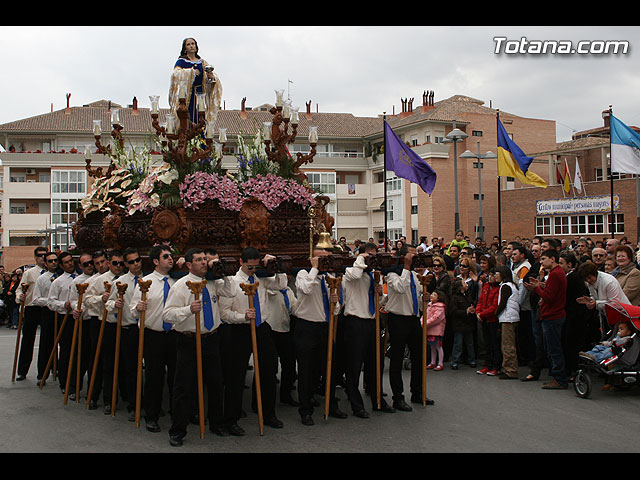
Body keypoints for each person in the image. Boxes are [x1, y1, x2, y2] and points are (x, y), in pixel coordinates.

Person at [163, 248, 236, 447]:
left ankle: (216, 423)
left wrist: (224, 274)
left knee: (215, 383)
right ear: (189, 265)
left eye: (205, 259)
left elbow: (231, 292)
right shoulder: (180, 286)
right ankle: (178, 429)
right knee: (184, 386)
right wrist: (188, 309)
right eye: (199, 260)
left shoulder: (212, 282)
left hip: (211, 338)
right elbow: (167, 314)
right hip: (188, 340)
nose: (204, 262)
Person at [219, 247, 287, 434]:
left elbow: (281, 285)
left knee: (269, 370)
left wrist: (277, 266)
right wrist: (243, 316)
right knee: (236, 375)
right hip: (240, 330)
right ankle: (231, 418)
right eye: (250, 267)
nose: (253, 271)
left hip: (261, 328)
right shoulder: (231, 283)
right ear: (241, 262)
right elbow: (224, 313)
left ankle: (268, 413)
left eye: (256, 267)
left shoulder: (262, 279)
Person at [294, 246, 347, 426]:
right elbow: (306, 289)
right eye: (321, 258)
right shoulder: (303, 274)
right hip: (306, 327)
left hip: (325, 327)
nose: (325, 262)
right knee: (306, 371)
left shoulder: (329, 278)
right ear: (313, 259)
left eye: (327, 259)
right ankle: (306, 409)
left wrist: (335, 303)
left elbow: (336, 308)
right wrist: (314, 269)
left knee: (329, 368)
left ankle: (331, 404)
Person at [341, 242, 395, 418]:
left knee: (375, 364)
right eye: (369, 256)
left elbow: (377, 303)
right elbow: (356, 274)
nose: (372, 260)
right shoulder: (350, 272)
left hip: (371, 322)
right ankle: (356, 404)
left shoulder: (373, 276)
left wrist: (380, 294)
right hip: (355, 322)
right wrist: (360, 259)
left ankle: (378, 399)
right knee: (354, 365)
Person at [129, 245, 176, 433]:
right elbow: (132, 310)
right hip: (153, 335)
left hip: (174, 335)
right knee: (154, 378)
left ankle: (177, 412)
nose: (170, 259)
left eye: (171, 256)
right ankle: (152, 415)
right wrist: (137, 307)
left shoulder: (176, 282)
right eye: (166, 257)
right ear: (156, 261)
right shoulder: (145, 283)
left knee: (175, 377)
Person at [385, 247, 431, 410]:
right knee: (396, 358)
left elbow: (416, 297)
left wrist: (424, 299)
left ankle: (417, 392)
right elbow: (399, 288)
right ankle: (398, 397)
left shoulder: (413, 275)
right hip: (398, 318)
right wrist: (405, 267)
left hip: (413, 318)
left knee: (419, 356)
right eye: (412, 256)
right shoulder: (392, 274)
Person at [102, 248, 143, 420]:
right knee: (131, 369)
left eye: (138, 260)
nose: (136, 264)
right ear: (126, 264)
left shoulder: (148, 279)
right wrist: (114, 304)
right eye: (132, 262)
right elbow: (108, 303)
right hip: (129, 329)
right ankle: (134, 404)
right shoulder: (120, 282)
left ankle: (148, 401)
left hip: (147, 329)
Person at [82, 250, 124, 409]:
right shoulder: (100, 281)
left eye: (121, 263)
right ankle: (96, 396)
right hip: (101, 322)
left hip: (121, 324)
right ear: (109, 263)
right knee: (100, 361)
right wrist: (101, 298)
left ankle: (121, 395)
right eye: (115, 263)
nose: (118, 266)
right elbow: (87, 300)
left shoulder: (126, 279)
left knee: (120, 361)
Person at [524, 249, 568, 390]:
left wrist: (537, 288)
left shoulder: (555, 274)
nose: (541, 262)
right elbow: (551, 291)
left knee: (554, 349)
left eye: (544, 259)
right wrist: (542, 285)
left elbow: (549, 297)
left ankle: (559, 378)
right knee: (551, 348)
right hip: (552, 315)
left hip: (553, 316)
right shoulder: (556, 273)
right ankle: (558, 377)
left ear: (553, 259)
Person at [169, 37, 222, 128]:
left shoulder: (203, 62)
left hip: (200, 94)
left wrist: (210, 77)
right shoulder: (181, 62)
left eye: (193, 44)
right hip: (187, 95)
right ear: (185, 48)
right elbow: (175, 74)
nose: (191, 46)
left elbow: (210, 79)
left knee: (200, 118)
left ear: (196, 46)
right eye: (188, 44)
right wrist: (191, 72)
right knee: (187, 118)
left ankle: (201, 139)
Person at [265, 275, 299, 407]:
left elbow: (295, 308)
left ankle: (286, 395)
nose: (286, 277)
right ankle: (263, 401)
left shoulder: (288, 291)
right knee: (269, 367)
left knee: (289, 364)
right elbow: (275, 285)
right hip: (271, 330)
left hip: (285, 329)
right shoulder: (270, 291)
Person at [15, 247, 48, 381]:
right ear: (35, 258)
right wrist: (19, 297)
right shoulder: (30, 273)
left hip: (45, 307)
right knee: (28, 339)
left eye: (45, 255)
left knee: (46, 341)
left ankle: (44, 372)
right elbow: (19, 290)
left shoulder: (51, 273)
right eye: (40, 255)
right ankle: (22, 370)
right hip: (31, 307)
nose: (42, 258)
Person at [67, 252, 96, 399]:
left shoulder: (98, 279)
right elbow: (72, 300)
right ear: (80, 266)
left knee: (94, 356)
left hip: (95, 321)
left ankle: (93, 388)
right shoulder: (76, 282)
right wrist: (76, 308)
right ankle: (73, 386)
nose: (90, 266)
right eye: (86, 264)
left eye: (91, 262)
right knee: (80, 355)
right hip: (83, 321)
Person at [28, 252, 60, 384]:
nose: (54, 263)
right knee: (46, 344)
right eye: (50, 261)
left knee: (64, 343)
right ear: (46, 264)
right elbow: (36, 299)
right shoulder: (41, 279)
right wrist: (51, 301)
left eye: (55, 260)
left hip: (62, 312)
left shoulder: (63, 277)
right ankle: (42, 373)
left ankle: (58, 369)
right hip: (48, 312)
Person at [559, 251, 591, 380]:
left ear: (570, 264)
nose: (559, 265)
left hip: (576, 316)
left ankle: (575, 371)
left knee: (573, 344)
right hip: (572, 315)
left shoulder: (573, 278)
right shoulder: (569, 277)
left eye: (561, 263)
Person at [494, 265, 520, 380]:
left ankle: (511, 370)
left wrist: (496, 313)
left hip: (508, 318)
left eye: (497, 273)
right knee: (506, 344)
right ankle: (506, 367)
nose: (495, 275)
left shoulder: (505, 286)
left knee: (508, 345)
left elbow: (502, 303)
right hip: (511, 317)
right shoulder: (512, 285)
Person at [475, 269, 501, 376]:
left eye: (493, 275)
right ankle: (487, 364)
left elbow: (494, 306)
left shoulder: (498, 288)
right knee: (487, 343)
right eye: (490, 275)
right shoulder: (486, 286)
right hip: (484, 318)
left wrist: (482, 314)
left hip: (492, 319)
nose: (491, 277)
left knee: (495, 343)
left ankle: (496, 366)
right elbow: (480, 301)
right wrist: (478, 312)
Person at [449, 279, 477, 370]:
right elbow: (453, 311)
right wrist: (466, 311)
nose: (466, 284)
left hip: (468, 323)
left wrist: (472, 309)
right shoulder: (454, 298)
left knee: (470, 343)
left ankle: (472, 360)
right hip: (459, 324)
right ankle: (454, 361)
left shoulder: (468, 295)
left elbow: (472, 303)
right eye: (464, 283)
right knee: (458, 344)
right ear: (460, 287)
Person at [425, 289, 447, 371]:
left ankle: (440, 363)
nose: (431, 296)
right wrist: (422, 321)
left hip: (437, 330)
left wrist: (425, 323)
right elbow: (425, 315)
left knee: (438, 346)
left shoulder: (440, 307)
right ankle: (433, 362)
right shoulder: (429, 305)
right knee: (432, 346)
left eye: (434, 295)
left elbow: (436, 318)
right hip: (430, 328)